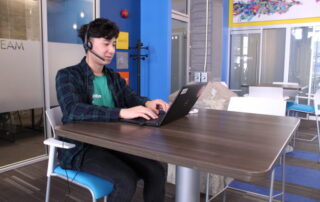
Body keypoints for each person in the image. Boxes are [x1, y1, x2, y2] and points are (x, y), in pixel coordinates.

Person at [55, 18, 169, 202]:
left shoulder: (113, 76)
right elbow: (73, 109)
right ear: (88, 43)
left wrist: (147, 103)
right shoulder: (67, 75)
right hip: (82, 148)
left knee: (157, 169)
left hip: (113, 143)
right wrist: (121, 112)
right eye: (106, 44)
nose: (112, 50)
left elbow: (131, 97)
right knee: (125, 180)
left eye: (114, 44)